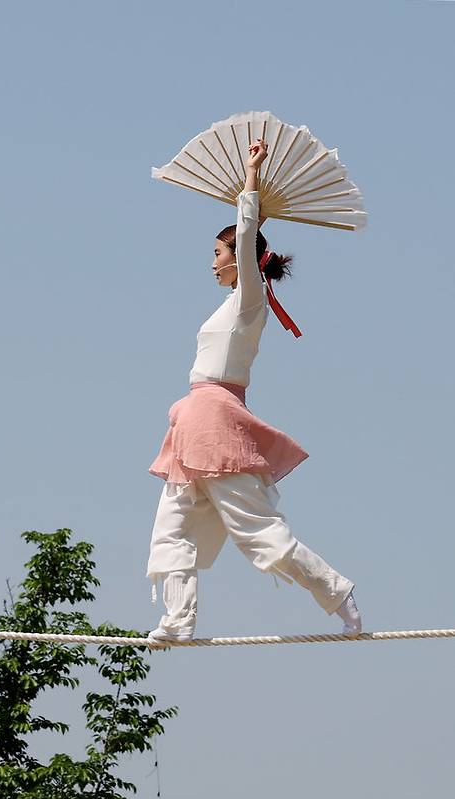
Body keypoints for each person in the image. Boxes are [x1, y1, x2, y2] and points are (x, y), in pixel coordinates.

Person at [146, 138, 362, 642]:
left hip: (217, 422)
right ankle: (178, 621)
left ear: (241, 259)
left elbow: (246, 239)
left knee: (260, 536)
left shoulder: (249, 302)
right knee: (170, 531)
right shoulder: (228, 309)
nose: (213, 261)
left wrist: (250, 181)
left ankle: (339, 593)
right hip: (192, 424)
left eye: (217, 252)